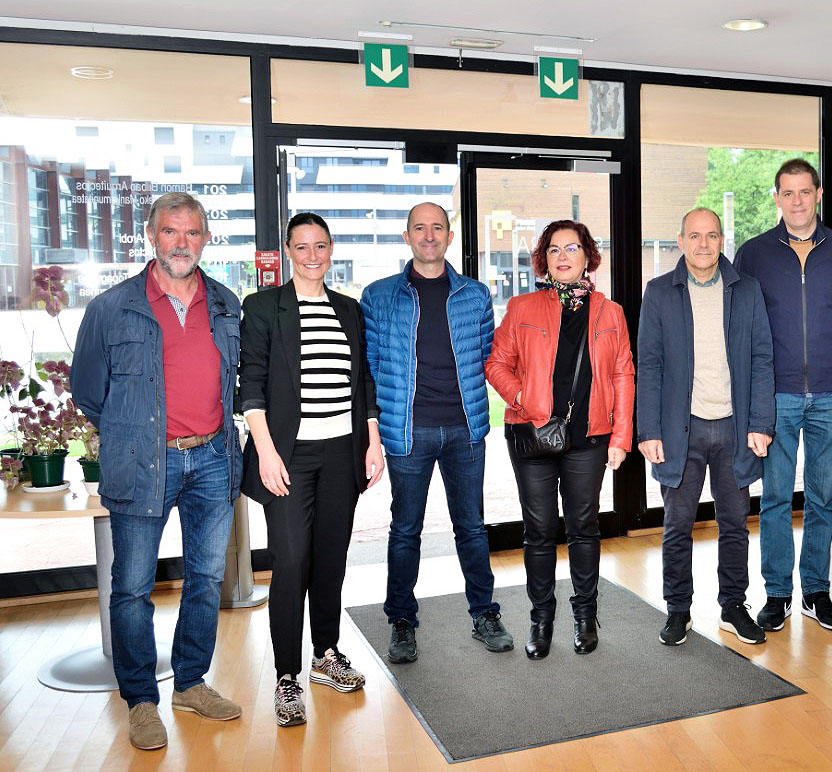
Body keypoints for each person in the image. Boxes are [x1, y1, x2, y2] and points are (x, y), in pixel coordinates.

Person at [70, 192, 243, 750]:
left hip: (213, 457)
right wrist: (133, 433)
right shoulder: (111, 308)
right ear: (151, 236)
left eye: (192, 233)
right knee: (132, 588)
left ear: (206, 239)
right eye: (171, 231)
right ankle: (141, 700)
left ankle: (190, 683)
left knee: (206, 579)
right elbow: (88, 391)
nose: (181, 243)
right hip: (144, 461)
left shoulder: (226, 303)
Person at [240, 213, 385, 726]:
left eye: (320, 246)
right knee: (292, 560)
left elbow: (362, 382)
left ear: (331, 249)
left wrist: (372, 442)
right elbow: (251, 385)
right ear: (287, 250)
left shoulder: (348, 308)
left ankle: (326, 654)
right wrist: (266, 451)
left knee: (330, 559)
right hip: (288, 457)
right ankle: (287, 676)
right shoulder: (263, 307)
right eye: (301, 247)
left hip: (342, 453)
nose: (311, 256)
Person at [360, 201, 512, 663]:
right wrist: (374, 432)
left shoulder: (475, 295)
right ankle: (402, 622)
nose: (429, 236)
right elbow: (369, 367)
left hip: (465, 430)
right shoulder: (378, 296)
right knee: (406, 530)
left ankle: (484, 614)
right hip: (408, 433)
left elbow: (487, 358)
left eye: (437, 228)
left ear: (449, 236)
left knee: (472, 528)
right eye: (420, 228)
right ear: (407, 236)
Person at [485, 220, 634, 659]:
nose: (563, 256)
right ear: (544, 259)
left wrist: (621, 436)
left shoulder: (610, 312)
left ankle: (585, 616)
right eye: (554, 249)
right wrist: (523, 398)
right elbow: (496, 363)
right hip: (531, 436)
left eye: (572, 248)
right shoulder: (522, 307)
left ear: (588, 256)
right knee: (539, 531)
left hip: (589, 437)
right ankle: (541, 618)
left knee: (584, 528)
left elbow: (623, 374)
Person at [735, 158, 832, 633]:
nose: (796, 201)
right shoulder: (754, 253)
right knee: (773, 499)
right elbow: (743, 322)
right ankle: (776, 594)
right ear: (777, 198)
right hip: (776, 395)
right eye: (787, 193)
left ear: (818, 194)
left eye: (804, 192)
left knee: (822, 499)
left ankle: (816, 592)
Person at [638, 208, 775, 646]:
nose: (703, 244)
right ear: (680, 241)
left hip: (735, 429)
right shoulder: (659, 292)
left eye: (711, 235)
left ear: (721, 241)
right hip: (681, 431)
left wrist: (761, 422)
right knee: (677, 526)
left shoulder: (747, 290)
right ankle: (678, 610)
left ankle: (733, 606)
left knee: (734, 524)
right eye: (694, 236)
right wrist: (648, 430)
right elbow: (650, 365)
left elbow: (762, 358)